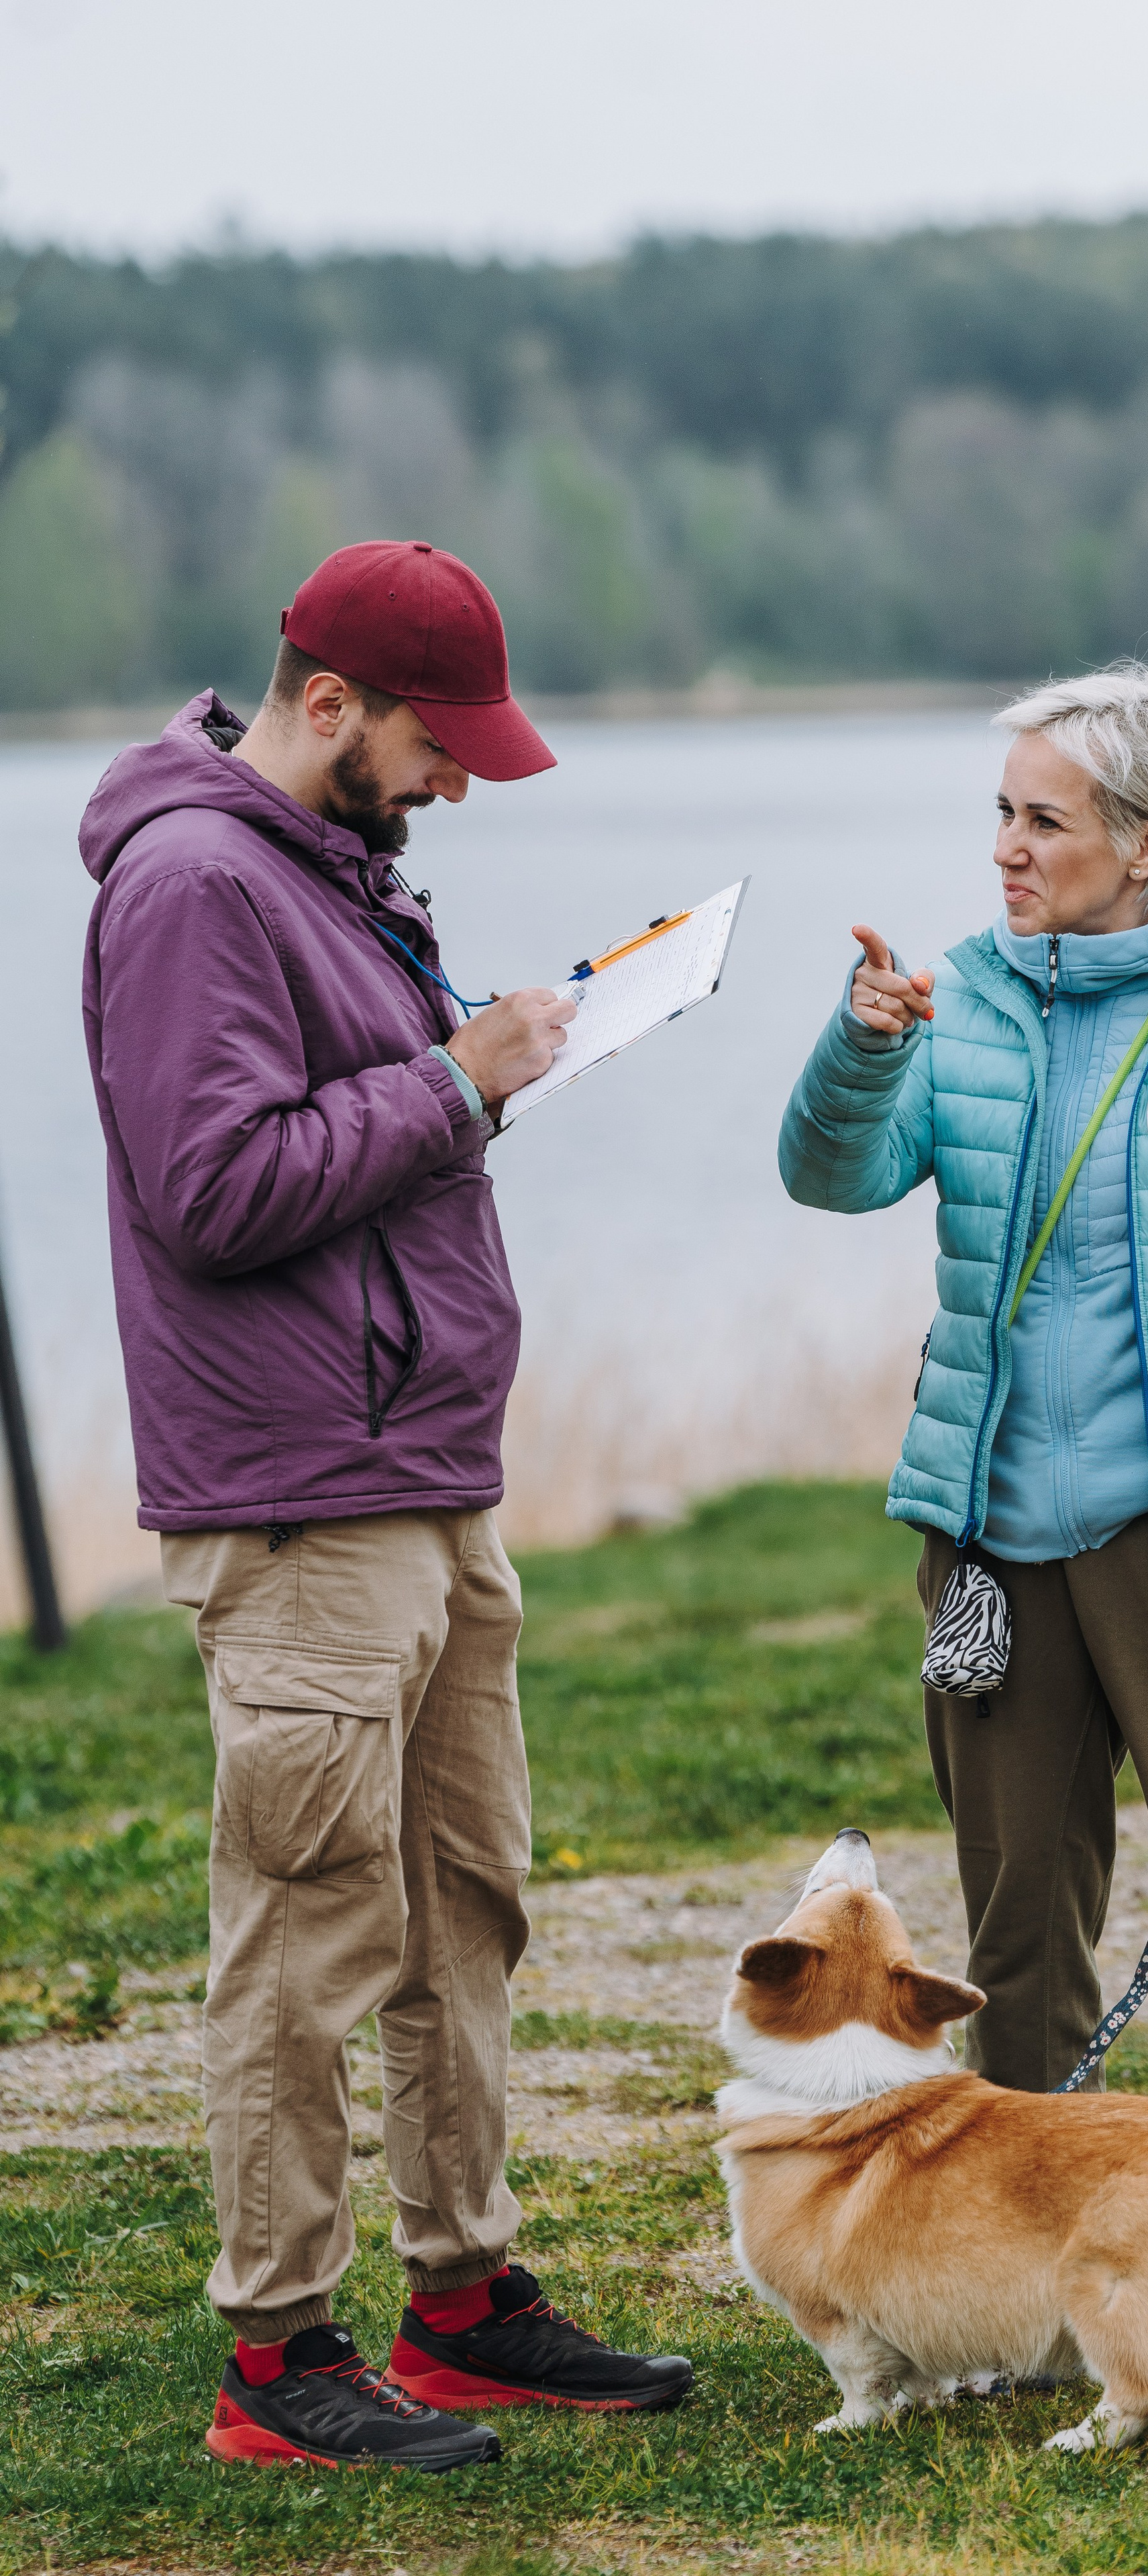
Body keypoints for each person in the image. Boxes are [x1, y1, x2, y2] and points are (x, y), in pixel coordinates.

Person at [81, 540, 692, 2471]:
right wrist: (459, 1076)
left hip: (420, 1475)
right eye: (441, 747)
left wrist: (474, 1067)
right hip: (299, 1493)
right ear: (328, 700)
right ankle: (277, 2357)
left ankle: (462, 2301)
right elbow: (215, 1188)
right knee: (310, 1922)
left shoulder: (325, 871)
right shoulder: (191, 883)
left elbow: (345, 1126)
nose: (454, 785)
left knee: (460, 1909)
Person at [777, 663, 1148, 2244]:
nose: (1004, 845)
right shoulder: (962, 1001)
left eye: (1041, 819)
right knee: (1016, 1927)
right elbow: (831, 1178)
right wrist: (859, 1048)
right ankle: (1021, 2251)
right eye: (999, 810)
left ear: (1145, 843)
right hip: (992, 1547)